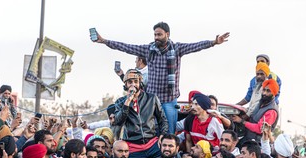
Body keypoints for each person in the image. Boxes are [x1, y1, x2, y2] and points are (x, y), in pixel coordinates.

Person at [92, 22, 229, 134]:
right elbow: (126, 47)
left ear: (167, 35)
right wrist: (104, 41)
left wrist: (214, 42)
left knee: (169, 131)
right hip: (151, 100)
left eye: (159, 34)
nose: (156, 37)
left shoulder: (177, 49)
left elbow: (196, 46)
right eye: (155, 35)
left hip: (169, 100)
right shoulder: (148, 50)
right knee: (148, 130)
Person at [112, 69, 168, 158]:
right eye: (130, 82)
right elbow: (118, 121)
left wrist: (162, 135)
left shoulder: (152, 98)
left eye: (135, 81)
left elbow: (163, 120)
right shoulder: (120, 102)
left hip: (152, 144)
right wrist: (127, 102)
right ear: (126, 85)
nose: (133, 84)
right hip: (133, 147)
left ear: (140, 83)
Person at [232, 79, 279, 145]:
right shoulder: (261, 102)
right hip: (248, 137)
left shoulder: (271, 111)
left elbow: (260, 129)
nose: (264, 93)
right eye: (264, 90)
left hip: (256, 143)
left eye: (268, 91)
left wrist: (242, 121)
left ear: (274, 93)